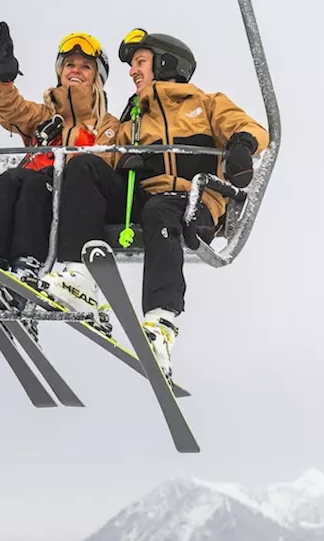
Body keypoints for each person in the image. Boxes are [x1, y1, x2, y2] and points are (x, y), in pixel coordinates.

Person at [49, 28, 268, 379]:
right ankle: (79, 275)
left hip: (193, 201)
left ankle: (161, 321)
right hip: (146, 199)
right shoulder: (134, 119)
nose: (133, 71)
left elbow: (251, 127)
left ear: (165, 63)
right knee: (84, 165)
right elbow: (104, 162)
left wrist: (241, 145)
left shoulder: (205, 104)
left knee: (159, 209)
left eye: (140, 62)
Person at [0, 22, 121, 288]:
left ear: (97, 77)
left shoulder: (106, 124)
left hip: (71, 200)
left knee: (35, 184)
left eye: (85, 66)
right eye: (69, 65)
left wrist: (62, 169)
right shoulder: (44, 116)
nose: (76, 71)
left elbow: (105, 162)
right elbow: (12, 111)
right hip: (34, 189)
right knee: (3, 181)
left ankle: (27, 261)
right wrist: (1, 72)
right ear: (60, 71)